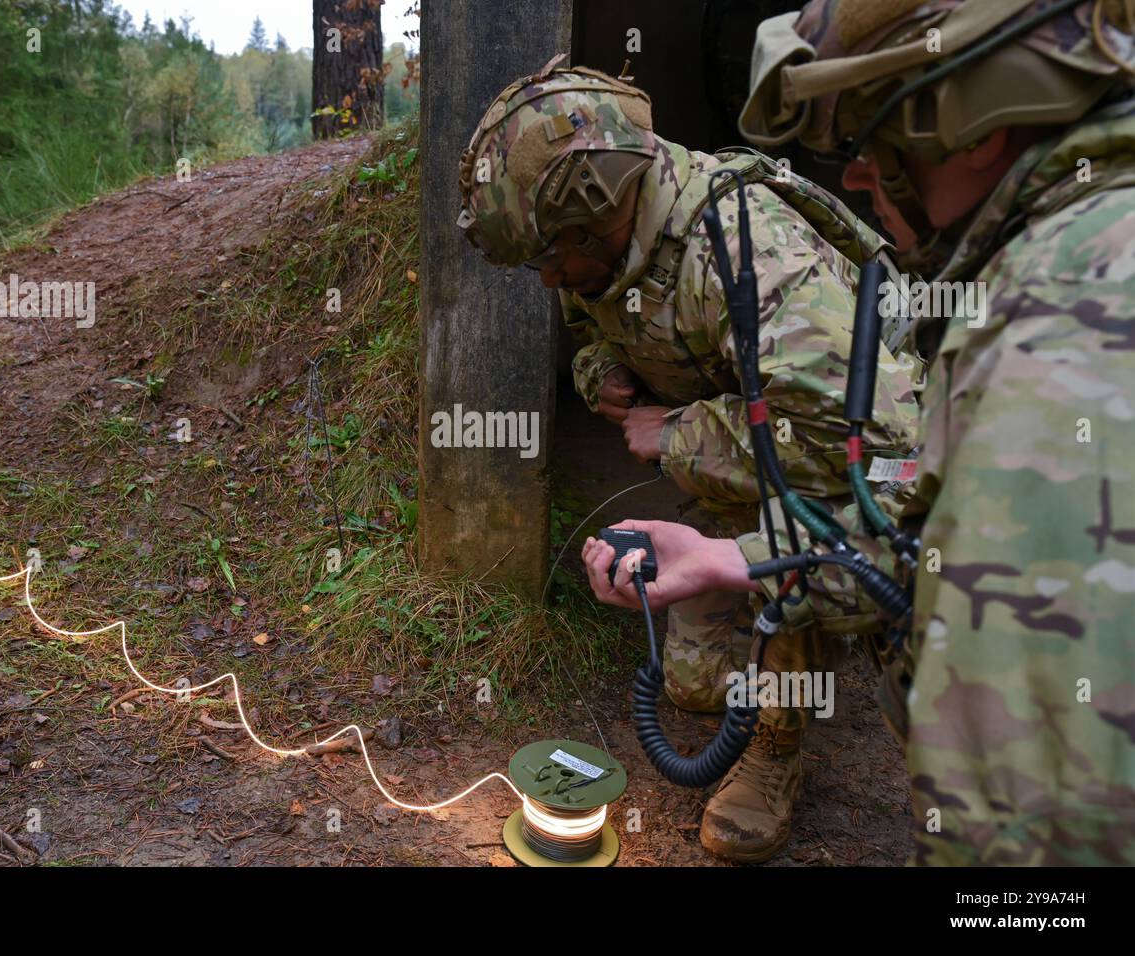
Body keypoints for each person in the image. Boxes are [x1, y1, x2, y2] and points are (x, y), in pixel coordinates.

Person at [598, 0, 1135, 864]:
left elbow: (1045, 844)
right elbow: (953, 551)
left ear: (970, 132)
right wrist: (737, 560)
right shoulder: (1062, 263)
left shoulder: (1063, 332)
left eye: (873, 141)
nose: (853, 179)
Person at [458, 55, 923, 861]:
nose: (546, 281)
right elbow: (589, 328)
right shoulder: (598, 242)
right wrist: (600, 375)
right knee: (698, 685)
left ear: (597, 218)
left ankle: (782, 743)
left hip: (839, 484)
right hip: (740, 459)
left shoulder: (750, 252)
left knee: (895, 673)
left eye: (549, 259)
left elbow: (883, 460)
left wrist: (676, 436)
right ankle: (773, 686)